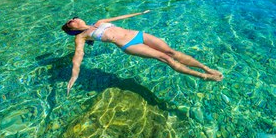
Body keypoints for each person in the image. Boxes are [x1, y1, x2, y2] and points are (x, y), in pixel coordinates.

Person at [61, 10, 224, 95]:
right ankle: (202, 76)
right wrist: (74, 75)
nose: (75, 18)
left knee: (170, 51)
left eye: (74, 17)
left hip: (137, 34)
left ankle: (205, 68)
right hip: (129, 45)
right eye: (71, 20)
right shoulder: (82, 37)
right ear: (71, 27)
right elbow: (78, 56)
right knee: (165, 58)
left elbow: (120, 17)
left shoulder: (99, 22)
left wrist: (140, 13)